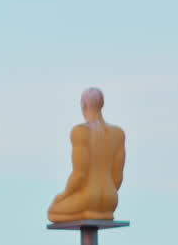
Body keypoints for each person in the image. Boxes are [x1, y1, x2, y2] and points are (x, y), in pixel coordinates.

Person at [47, 87, 126, 222]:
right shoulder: (118, 133)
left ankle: (88, 213)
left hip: (88, 197)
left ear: (83, 105)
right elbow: (117, 177)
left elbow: (80, 174)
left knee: (52, 213)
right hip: (111, 199)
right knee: (99, 211)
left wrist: (64, 195)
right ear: (102, 104)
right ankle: (102, 214)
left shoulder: (80, 131)